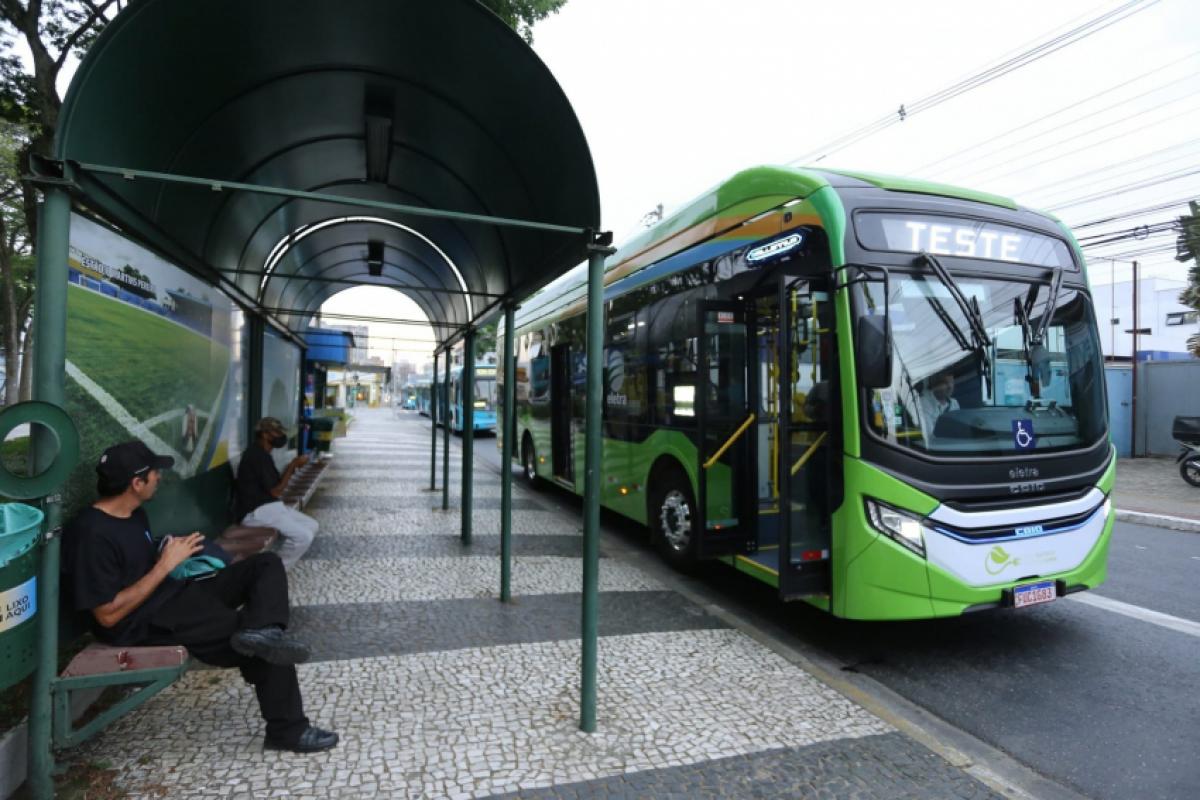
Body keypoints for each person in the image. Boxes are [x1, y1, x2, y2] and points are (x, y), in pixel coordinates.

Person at [63, 441, 338, 753]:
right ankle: (287, 731)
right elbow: (108, 615)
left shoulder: (133, 514)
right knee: (264, 644)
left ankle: (264, 631)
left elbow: (137, 566)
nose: (159, 477)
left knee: (265, 566)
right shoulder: (91, 535)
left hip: (172, 594)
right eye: (154, 473)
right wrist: (165, 565)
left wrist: (169, 552)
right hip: (143, 622)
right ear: (136, 483)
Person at [236, 418, 318, 570]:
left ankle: (274, 562)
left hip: (270, 506)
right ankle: (276, 570)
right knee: (303, 537)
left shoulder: (263, 454)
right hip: (256, 512)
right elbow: (276, 491)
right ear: (265, 434)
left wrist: (293, 466)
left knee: (312, 525)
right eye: (277, 432)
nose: (281, 436)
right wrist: (293, 465)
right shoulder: (257, 456)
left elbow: (274, 486)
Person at [919, 372, 960, 438]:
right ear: (935, 386)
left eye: (952, 382)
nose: (950, 386)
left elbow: (959, 429)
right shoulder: (924, 403)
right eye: (945, 383)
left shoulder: (954, 403)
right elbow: (930, 436)